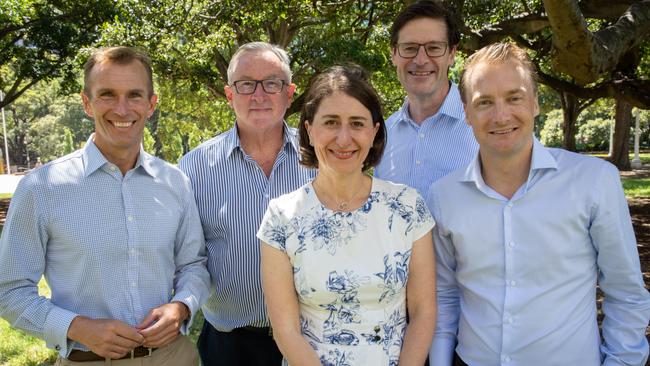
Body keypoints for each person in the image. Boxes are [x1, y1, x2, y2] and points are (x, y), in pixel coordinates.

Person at [427, 42, 650, 366]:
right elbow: (445, 298)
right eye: (484, 102)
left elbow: (625, 293)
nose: (501, 115)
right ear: (466, 112)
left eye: (514, 98)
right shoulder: (444, 196)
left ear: (535, 103)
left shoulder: (593, 181)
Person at [0, 46, 210, 364]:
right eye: (108, 94)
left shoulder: (175, 183)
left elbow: (193, 266)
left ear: (151, 104)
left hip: (173, 357)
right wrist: (77, 327)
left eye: (135, 95)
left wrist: (180, 306)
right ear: (87, 102)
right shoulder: (41, 187)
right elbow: (10, 291)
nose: (122, 109)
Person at [257, 65, 436, 366]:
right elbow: (285, 330)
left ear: (374, 132)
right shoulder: (282, 216)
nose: (343, 138)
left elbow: (423, 312)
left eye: (357, 123)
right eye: (331, 122)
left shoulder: (408, 207)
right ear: (310, 130)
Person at [179, 42, 315, 366]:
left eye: (272, 83)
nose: (259, 94)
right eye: (246, 84)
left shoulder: (321, 159)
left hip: (312, 340)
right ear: (229, 95)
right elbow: (187, 259)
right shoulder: (193, 168)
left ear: (289, 92)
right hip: (230, 345)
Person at [374, 0, 478, 197]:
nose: (421, 60)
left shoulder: (484, 125)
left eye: (434, 47)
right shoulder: (383, 135)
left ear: (452, 54)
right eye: (410, 48)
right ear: (394, 54)